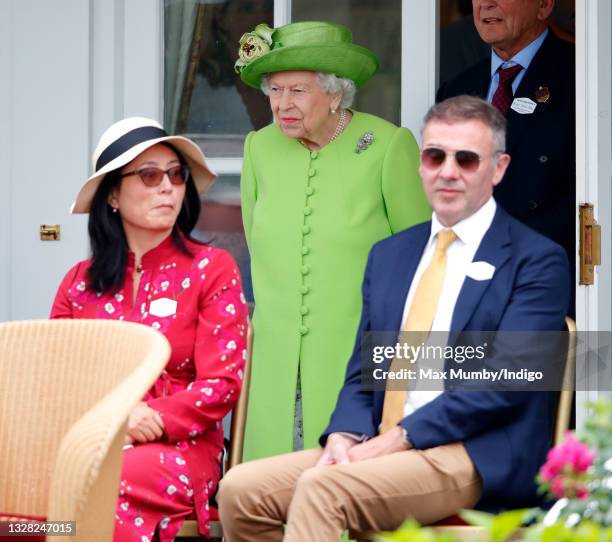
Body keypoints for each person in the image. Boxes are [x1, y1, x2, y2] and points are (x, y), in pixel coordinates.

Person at [217, 96, 570, 541]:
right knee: (240, 491)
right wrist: (343, 434)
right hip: (381, 444)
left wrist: (400, 438)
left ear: (498, 168)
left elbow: (505, 382)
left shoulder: (535, 260)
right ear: (420, 164)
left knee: (323, 490)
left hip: (473, 453)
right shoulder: (392, 255)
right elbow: (363, 371)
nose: (447, 171)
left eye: (466, 159)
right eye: (435, 156)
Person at [234, 20, 431, 460]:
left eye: (298, 91)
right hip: (275, 356)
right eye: (275, 90)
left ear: (336, 92)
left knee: (343, 498)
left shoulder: (386, 145)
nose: (282, 104)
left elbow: (421, 261)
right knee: (263, 497)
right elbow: (258, 243)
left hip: (359, 360)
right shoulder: (258, 149)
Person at [50, 117, 249, 541]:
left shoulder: (212, 269)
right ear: (113, 197)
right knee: (31, 482)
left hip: (181, 446)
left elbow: (222, 385)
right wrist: (112, 423)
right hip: (91, 441)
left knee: (103, 481)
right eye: (150, 174)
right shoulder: (77, 283)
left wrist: (150, 418)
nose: (168, 187)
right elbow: (57, 381)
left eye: (176, 175)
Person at [436, 0, 575, 304]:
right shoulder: (457, 88)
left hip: (547, 280)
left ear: (544, 5)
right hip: (470, 288)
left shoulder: (583, 77)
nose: (486, 4)